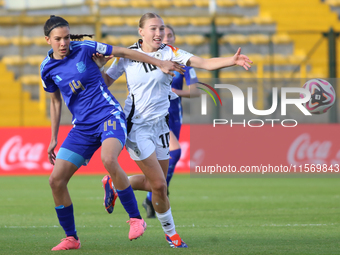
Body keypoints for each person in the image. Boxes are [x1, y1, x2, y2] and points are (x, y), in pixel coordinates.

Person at [95, 12, 252, 248]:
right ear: (141, 32)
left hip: (161, 126)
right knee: (159, 185)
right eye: (153, 29)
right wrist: (97, 68)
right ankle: (172, 234)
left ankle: (117, 183)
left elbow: (206, 63)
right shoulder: (127, 55)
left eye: (161, 29)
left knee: (157, 185)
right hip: (137, 126)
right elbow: (103, 83)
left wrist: (232, 60)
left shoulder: (171, 52)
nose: (158, 33)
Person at [40, 15, 184, 251]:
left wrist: (158, 62)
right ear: (48, 40)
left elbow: (124, 53)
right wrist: (53, 137)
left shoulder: (85, 47)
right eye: (58, 39)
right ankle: (71, 238)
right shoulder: (47, 68)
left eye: (67, 37)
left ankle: (136, 219)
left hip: (109, 115)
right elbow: (55, 101)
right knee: (55, 181)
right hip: (82, 126)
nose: (64, 43)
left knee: (108, 158)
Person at [142, 25, 200, 218]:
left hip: (175, 115)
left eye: (169, 35)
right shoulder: (150, 60)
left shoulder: (184, 62)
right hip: (156, 115)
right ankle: (156, 194)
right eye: (162, 34)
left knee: (165, 158)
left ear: (174, 38)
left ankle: (154, 197)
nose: (165, 37)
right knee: (174, 152)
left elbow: (196, 91)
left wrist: (176, 92)